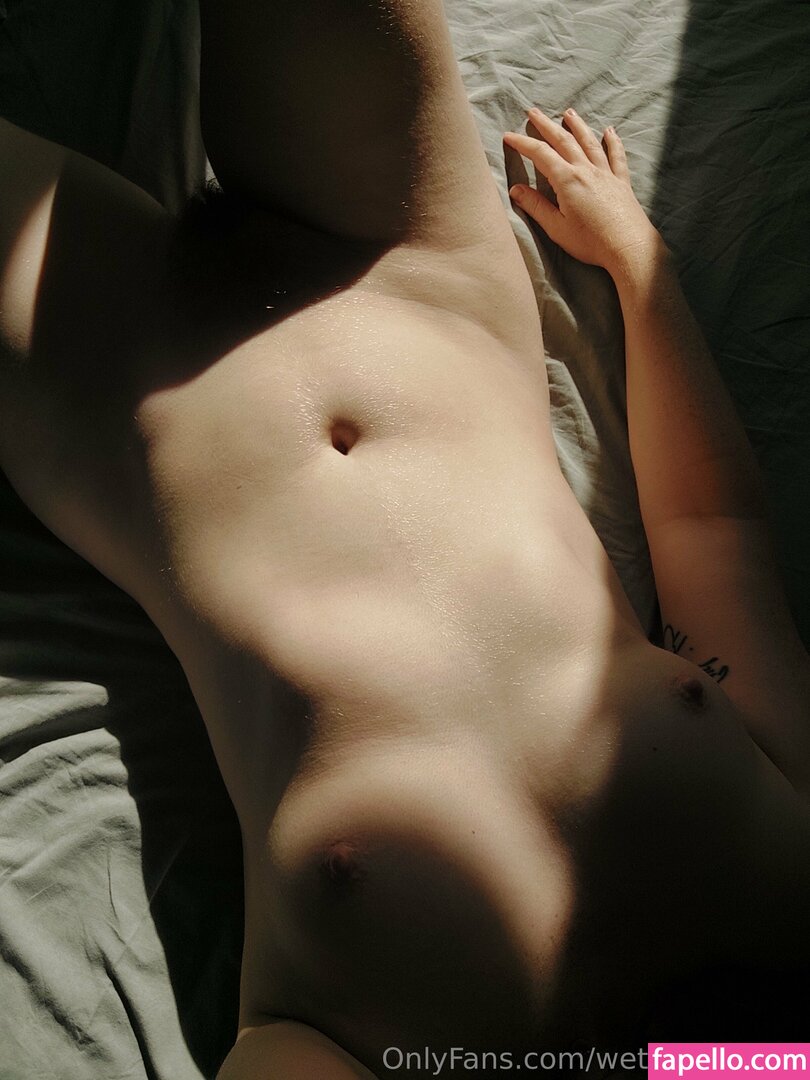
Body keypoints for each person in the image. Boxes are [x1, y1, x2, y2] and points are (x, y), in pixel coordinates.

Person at [0, 1, 808, 1076]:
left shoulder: (396, 1049)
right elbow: (715, 531)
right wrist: (636, 260)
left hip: (131, 409)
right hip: (405, 267)